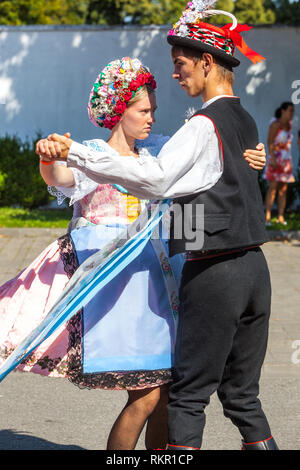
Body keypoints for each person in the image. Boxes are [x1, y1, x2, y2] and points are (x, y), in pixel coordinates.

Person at [38, 2, 279, 451]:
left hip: (205, 273)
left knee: (181, 396)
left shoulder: (192, 131)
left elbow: (157, 180)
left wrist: (78, 152)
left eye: (181, 64)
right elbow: (63, 179)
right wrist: (58, 156)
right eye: (141, 108)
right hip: (223, 271)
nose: (174, 77)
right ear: (118, 111)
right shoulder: (240, 119)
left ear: (207, 62)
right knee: (214, 396)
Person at [264, 102, 295, 226]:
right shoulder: (275, 124)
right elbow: (270, 142)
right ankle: (267, 216)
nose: (292, 113)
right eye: (290, 110)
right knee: (273, 188)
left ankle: (280, 217)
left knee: (283, 189)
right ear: (283, 110)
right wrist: (272, 159)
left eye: (293, 111)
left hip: (286, 162)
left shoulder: (290, 125)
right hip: (275, 160)